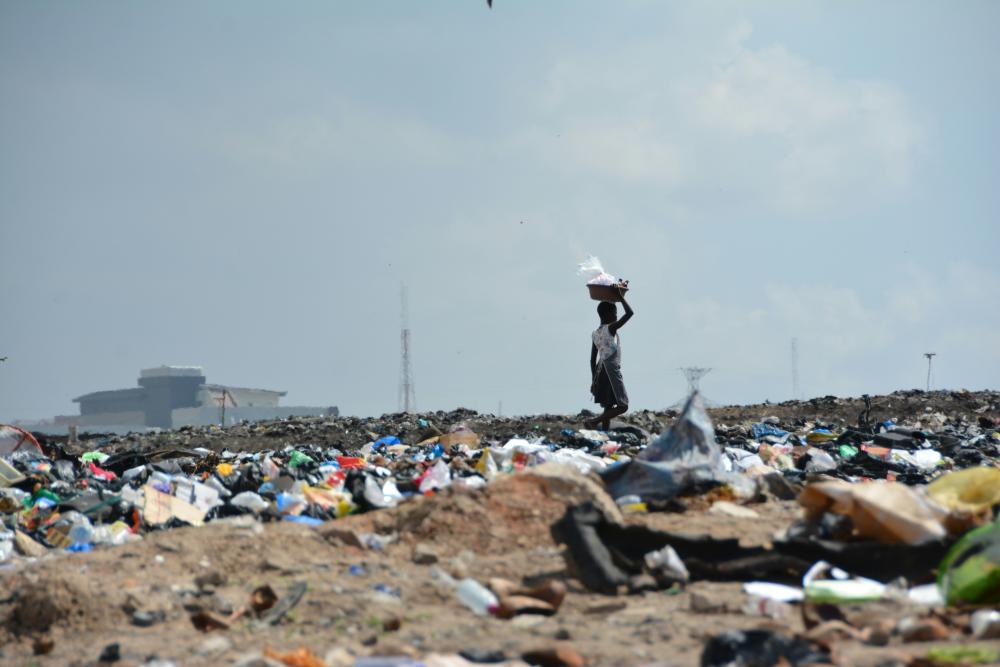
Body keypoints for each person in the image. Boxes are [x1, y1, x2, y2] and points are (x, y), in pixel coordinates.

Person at [588, 289, 633, 430]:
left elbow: (592, 360)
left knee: (608, 406)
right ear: (607, 314)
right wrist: (620, 297)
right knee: (623, 405)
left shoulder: (595, 334)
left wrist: (593, 381)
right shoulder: (610, 328)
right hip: (611, 370)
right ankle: (594, 422)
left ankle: (605, 437)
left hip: (600, 371)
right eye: (614, 313)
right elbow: (630, 313)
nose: (616, 316)